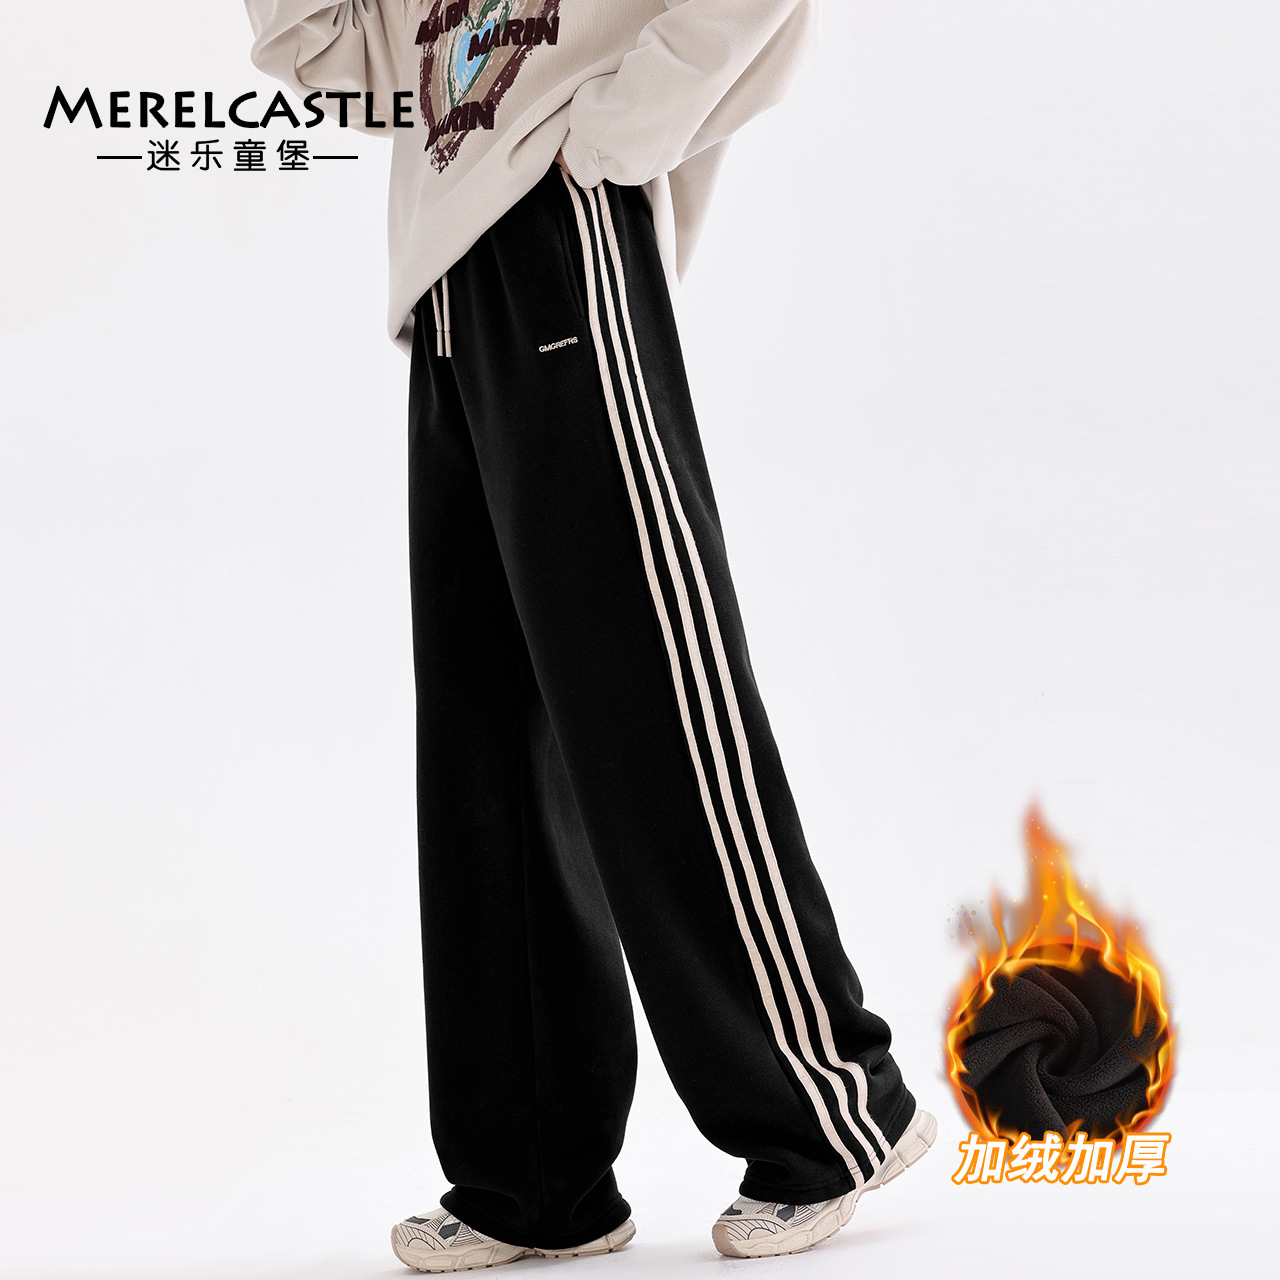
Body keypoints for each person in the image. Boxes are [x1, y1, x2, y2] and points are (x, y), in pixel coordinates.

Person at [243, 0, 934, 1267]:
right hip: (449, 280)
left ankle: (829, 1106)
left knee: (652, 695)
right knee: (488, 741)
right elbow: (338, 62)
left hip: (565, 232)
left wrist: (612, 135)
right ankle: (534, 1176)